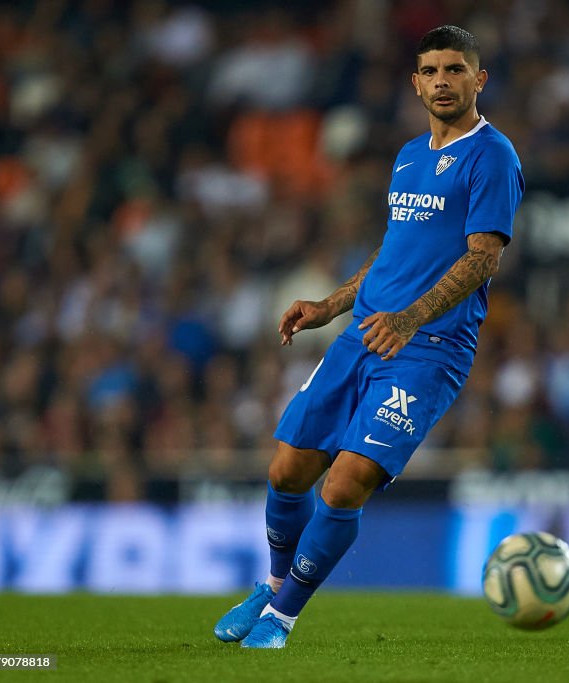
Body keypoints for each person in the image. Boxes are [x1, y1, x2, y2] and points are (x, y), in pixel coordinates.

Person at [213, 25, 524, 649]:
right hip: (362, 334)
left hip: (428, 351)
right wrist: (331, 305)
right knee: (288, 469)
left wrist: (411, 318)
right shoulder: (408, 155)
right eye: (431, 70)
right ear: (415, 82)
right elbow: (394, 253)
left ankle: (282, 617)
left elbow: (483, 257)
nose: (442, 81)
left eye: (456, 70)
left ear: (478, 80)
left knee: (346, 479)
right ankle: (272, 584)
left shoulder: (493, 156)